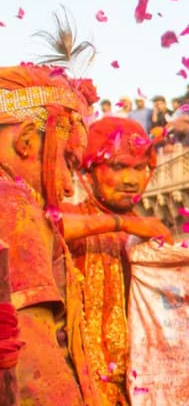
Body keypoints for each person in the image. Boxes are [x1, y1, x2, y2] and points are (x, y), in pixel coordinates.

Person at [0, 63, 99, 403]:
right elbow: (32, 366)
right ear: (27, 140)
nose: (70, 188)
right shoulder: (10, 204)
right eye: (68, 162)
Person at [60, 116, 173, 404]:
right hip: (77, 386)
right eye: (118, 166)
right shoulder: (76, 219)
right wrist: (122, 224)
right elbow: (41, 227)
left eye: (139, 168)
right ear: (90, 172)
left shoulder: (151, 232)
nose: (131, 180)